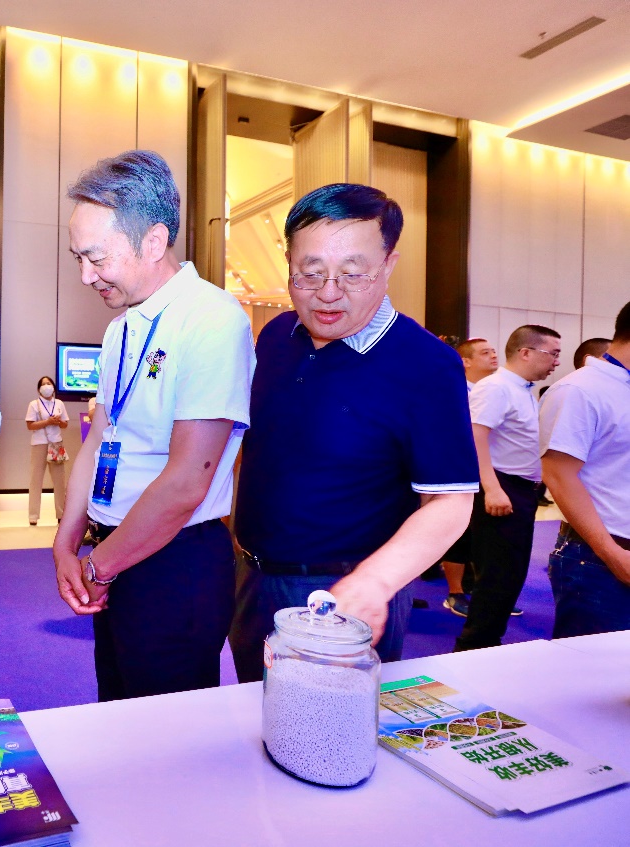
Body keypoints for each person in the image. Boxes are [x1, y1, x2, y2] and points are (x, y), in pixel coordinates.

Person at [230, 182, 478, 683]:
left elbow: (450, 502)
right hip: (252, 575)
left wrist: (375, 582)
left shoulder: (426, 364)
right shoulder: (276, 336)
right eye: (310, 272)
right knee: (255, 709)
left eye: (353, 273)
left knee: (328, 726)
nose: (327, 292)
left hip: (343, 592)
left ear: (388, 265)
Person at [52, 150, 254, 701]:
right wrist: (68, 539)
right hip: (113, 552)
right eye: (77, 257)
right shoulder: (121, 327)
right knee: (118, 710)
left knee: (167, 733)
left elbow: (187, 481)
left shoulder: (211, 319)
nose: (85, 275)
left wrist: (98, 567)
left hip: (173, 562)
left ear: (154, 241)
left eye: (96, 257)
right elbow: (98, 438)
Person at [454, 325, 559, 651]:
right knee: (497, 577)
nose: (557, 362)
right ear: (526, 352)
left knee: (509, 575)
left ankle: (486, 642)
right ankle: (473, 648)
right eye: (552, 353)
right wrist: (492, 488)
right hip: (502, 487)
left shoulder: (521, 389)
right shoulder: (497, 387)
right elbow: (474, 437)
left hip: (519, 489)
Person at [540, 302, 630, 638]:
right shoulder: (580, 389)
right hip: (600, 556)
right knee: (594, 665)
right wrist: (612, 554)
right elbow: (559, 475)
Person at [440, 337, 498, 617]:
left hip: (487, 470)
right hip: (456, 468)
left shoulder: (495, 389)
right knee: (458, 531)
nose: (493, 356)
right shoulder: (453, 390)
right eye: (485, 353)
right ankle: (455, 592)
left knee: (482, 534)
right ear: (466, 361)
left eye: (494, 351)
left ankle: (477, 587)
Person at [26, 375, 70, 525]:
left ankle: (61, 514)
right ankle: (33, 515)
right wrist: (47, 422)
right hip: (39, 443)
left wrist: (58, 421)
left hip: (56, 444)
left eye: (49, 383)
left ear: (53, 387)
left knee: (59, 481)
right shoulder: (34, 404)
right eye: (43, 384)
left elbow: (65, 424)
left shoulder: (59, 403)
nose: (46, 386)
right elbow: (30, 425)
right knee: (36, 479)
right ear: (39, 389)